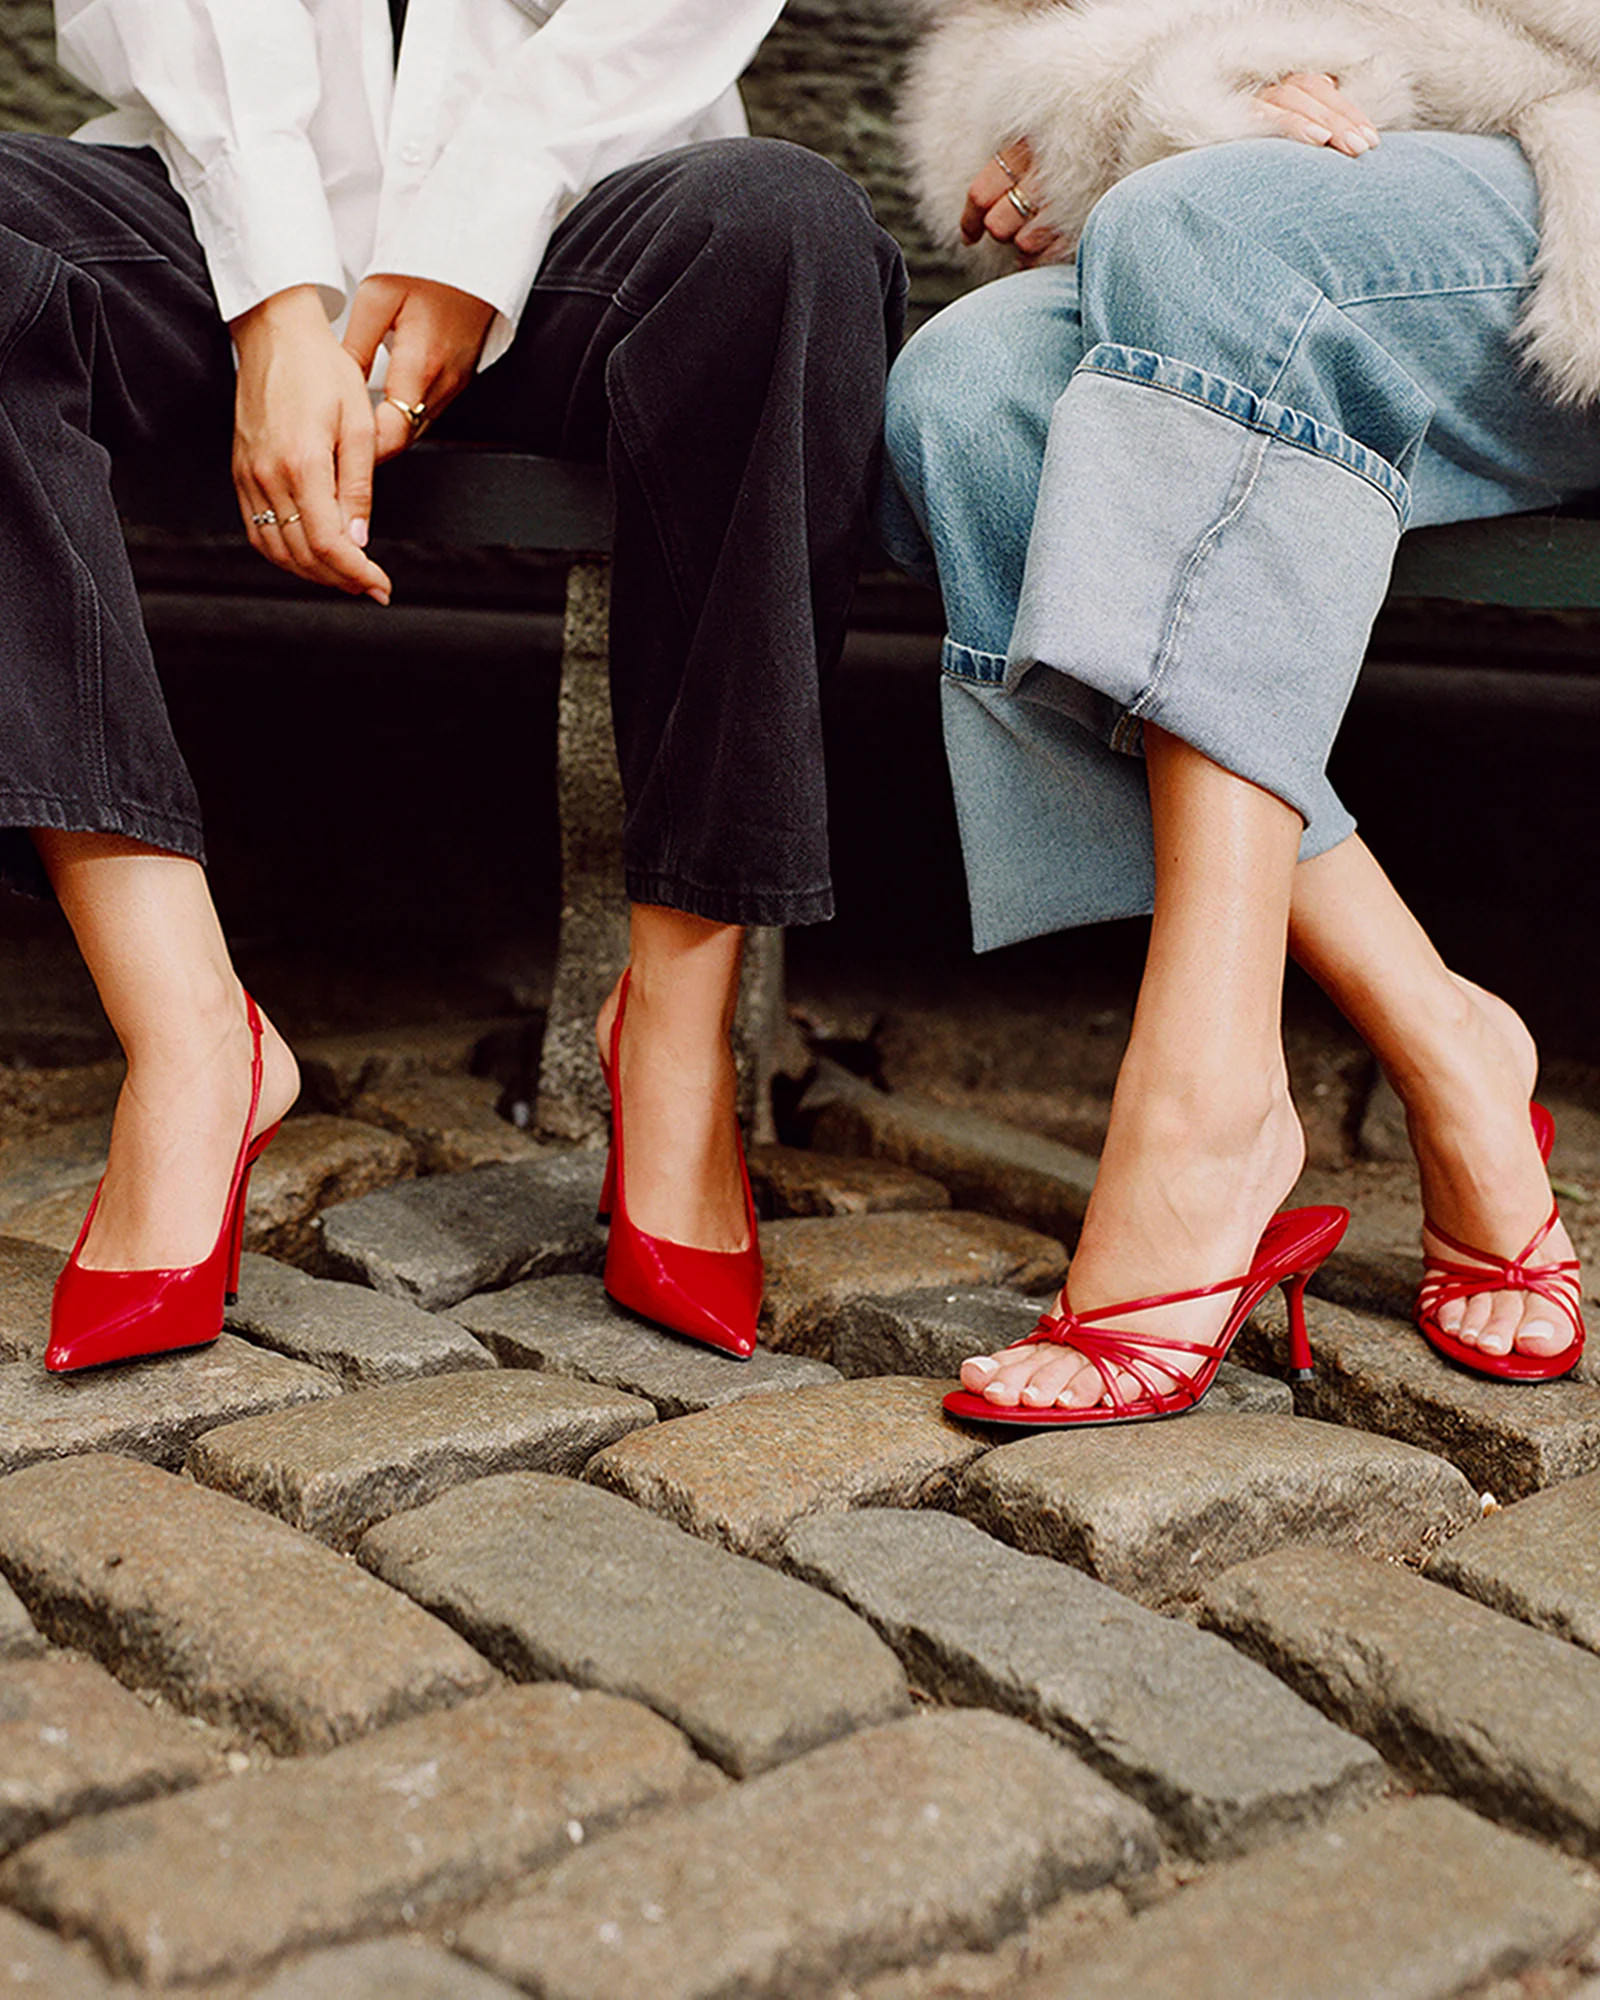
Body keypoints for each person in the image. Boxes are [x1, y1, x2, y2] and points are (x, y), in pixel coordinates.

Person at [14, 0, 905, 1372]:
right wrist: (273, 299)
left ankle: (673, 1031)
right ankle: (190, 1032)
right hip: (220, 209)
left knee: (787, 235)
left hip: (586, 211)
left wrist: (478, 224)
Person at [880, 73, 1590, 1423]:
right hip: (1315, 155)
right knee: (971, 399)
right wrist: (1156, 82)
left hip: (1567, 169)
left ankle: (1207, 1111)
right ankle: (1445, 1038)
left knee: (1219, 231)